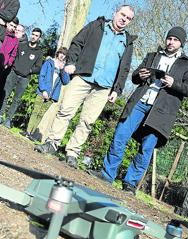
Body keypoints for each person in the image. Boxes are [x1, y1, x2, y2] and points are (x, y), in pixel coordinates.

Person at [91, 26, 188, 195]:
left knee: (146, 147)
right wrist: (140, 75)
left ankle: (130, 184)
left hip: (161, 111)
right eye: (169, 38)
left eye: (175, 40)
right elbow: (134, 77)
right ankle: (107, 174)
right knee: (120, 135)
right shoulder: (152, 56)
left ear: (181, 43)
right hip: (140, 102)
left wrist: (173, 83)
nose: (171, 42)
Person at [35, 5, 136, 168]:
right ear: (115, 13)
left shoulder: (127, 42)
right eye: (122, 15)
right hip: (83, 77)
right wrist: (71, 63)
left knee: (87, 122)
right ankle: (52, 143)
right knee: (65, 111)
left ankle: (72, 153)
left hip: (104, 87)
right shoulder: (97, 26)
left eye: (128, 18)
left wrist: (117, 89)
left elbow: (124, 68)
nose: (124, 19)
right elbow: (77, 43)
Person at [21, 47, 70, 140]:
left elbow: (66, 81)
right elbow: (42, 76)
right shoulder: (49, 62)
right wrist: (43, 90)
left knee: (41, 115)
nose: (62, 55)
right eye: (61, 53)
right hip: (42, 91)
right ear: (58, 53)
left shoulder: (64, 67)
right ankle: (27, 131)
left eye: (64, 54)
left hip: (52, 95)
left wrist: (63, 69)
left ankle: (31, 134)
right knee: (35, 112)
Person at [0, 27, 43, 127]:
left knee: (16, 100)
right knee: (5, 94)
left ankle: (8, 120)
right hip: (13, 73)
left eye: (36, 36)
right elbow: (14, 55)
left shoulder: (39, 52)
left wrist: (29, 71)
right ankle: (0, 114)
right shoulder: (22, 45)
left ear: (39, 38)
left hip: (25, 78)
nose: (33, 37)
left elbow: (39, 67)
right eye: (33, 34)